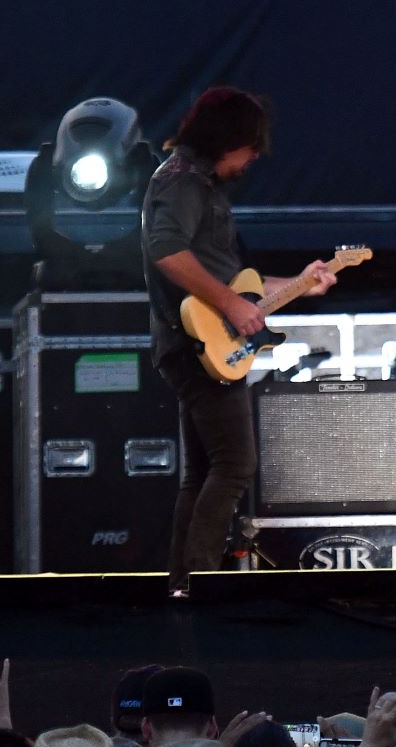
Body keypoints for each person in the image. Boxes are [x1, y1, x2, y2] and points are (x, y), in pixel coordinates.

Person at [142, 88, 337, 594]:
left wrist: (298, 282)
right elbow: (166, 252)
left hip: (192, 344)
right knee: (235, 465)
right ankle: (203, 583)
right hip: (195, 346)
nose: (252, 159)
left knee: (205, 470)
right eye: (250, 148)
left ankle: (183, 584)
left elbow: (237, 288)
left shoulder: (193, 183)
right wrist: (229, 306)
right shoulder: (183, 183)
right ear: (227, 140)